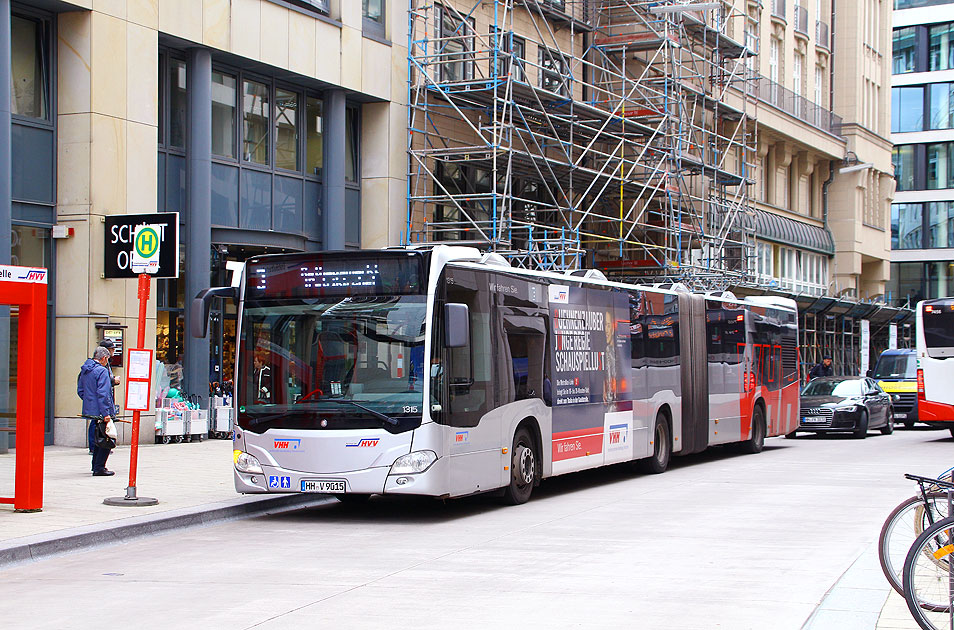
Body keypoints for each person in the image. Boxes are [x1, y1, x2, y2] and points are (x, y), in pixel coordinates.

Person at [78, 346, 116, 476]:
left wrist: (90, 402)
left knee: (98, 436)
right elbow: (103, 393)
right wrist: (106, 413)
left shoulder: (86, 369)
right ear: (104, 358)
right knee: (106, 438)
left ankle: (96, 466)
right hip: (102, 410)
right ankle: (99, 467)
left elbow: (81, 390)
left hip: (91, 408)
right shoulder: (101, 371)